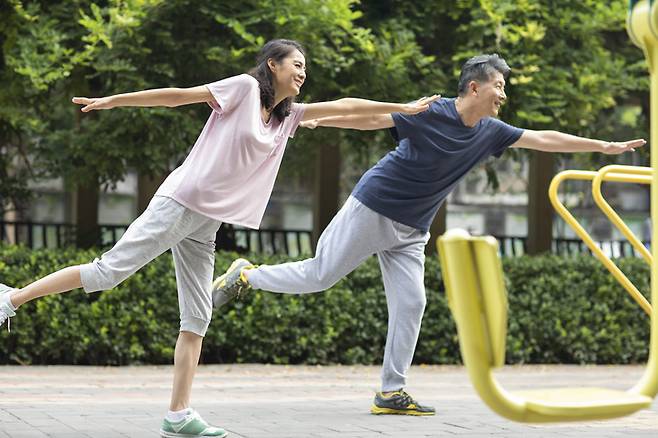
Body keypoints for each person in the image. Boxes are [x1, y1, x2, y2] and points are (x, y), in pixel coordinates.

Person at [0, 39, 438, 438]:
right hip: (180, 203)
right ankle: (11, 299)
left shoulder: (289, 117)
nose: (303, 73)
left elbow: (347, 110)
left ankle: (178, 415)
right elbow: (179, 96)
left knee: (197, 317)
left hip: (207, 222)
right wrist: (116, 101)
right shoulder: (245, 90)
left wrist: (404, 111)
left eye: (306, 67)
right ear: (273, 64)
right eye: (297, 64)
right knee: (107, 272)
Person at [212, 53, 646, 417]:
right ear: (474, 88)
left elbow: (542, 139)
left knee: (413, 301)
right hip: (375, 206)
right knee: (319, 275)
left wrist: (602, 147)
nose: (503, 94)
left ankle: (390, 391)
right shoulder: (433, 110)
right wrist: (320, 121)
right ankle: (247, 275)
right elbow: (377, 118)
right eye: (498, 85)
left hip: (413, 228)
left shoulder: (491, 131)